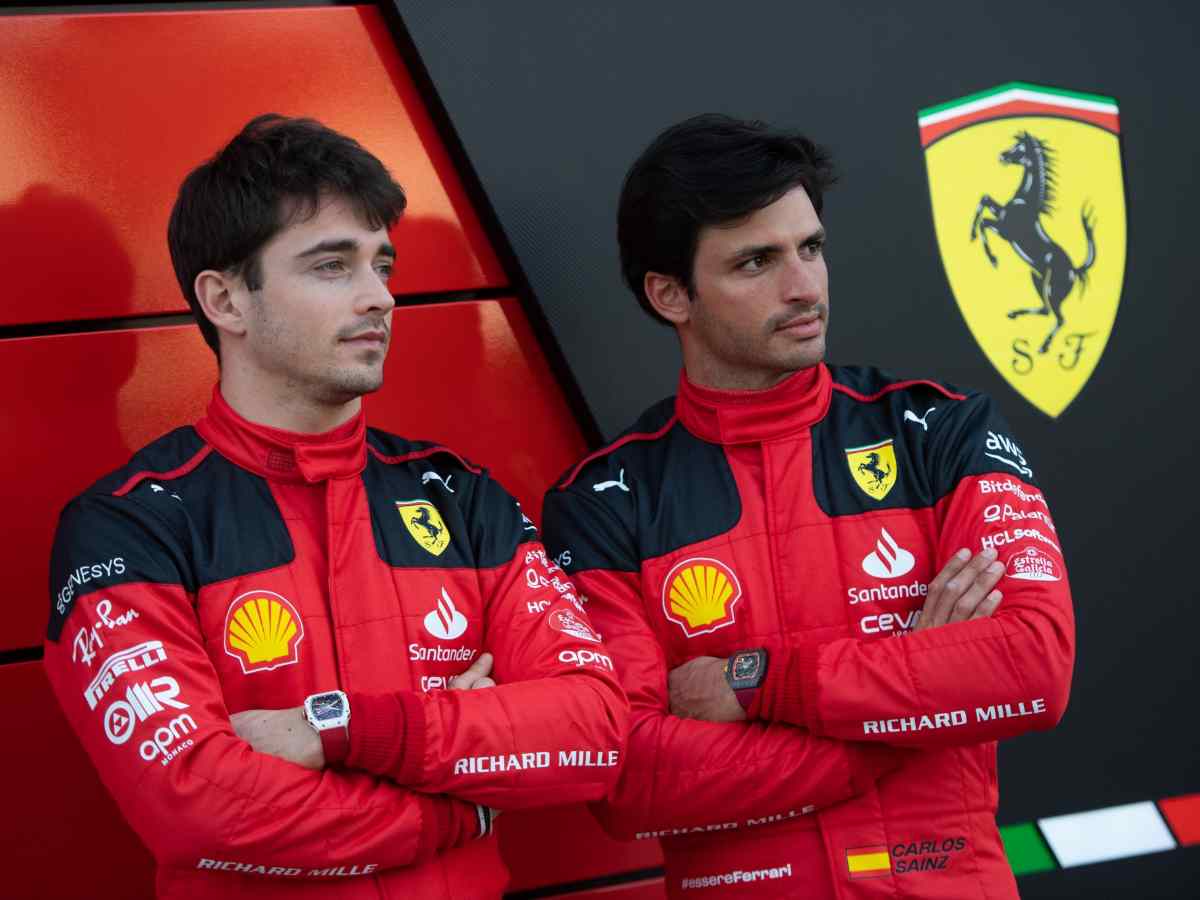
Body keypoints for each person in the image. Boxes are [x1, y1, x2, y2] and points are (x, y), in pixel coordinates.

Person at [43, 114, 627, 900]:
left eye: (381, 266)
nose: (379, 297)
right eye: (331, 267)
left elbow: (595, 733)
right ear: (226, 300)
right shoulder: (129, 525)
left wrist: (345, 730)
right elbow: (200, 809)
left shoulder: (461, 500)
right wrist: (462, 810)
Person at [541, 114, 1074, 898]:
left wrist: (755, 684)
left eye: (811, 248)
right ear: (669, 294)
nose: (803, 286)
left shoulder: (938, 429)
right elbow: (627, 780)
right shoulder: (603, 502)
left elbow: (1031, 666)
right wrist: (912, 715)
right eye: (757, 261)